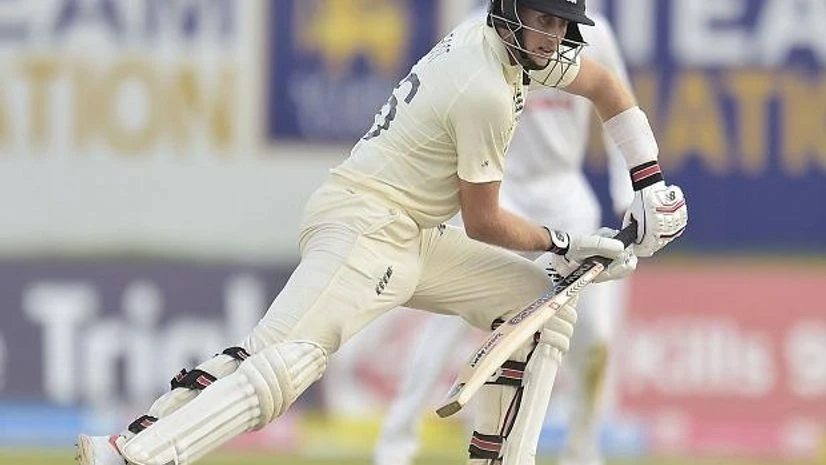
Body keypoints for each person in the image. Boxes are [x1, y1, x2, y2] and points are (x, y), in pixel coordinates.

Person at [76, 1, 687, 464]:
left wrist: (649, 183)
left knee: (538, 308)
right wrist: (567, 242)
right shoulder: (485, 89)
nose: (552, 37)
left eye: (560, 24)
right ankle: (136, 455)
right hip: (365, 224)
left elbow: (606, 87)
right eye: (541, 20)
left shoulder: (512, 47)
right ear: (508, 12)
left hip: (414, 234)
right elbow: (484, 222)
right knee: (284, 362)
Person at [373, 8, 635, 465]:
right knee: (447, 320)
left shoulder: (596, 34)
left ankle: (583, 449)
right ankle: (396, 442)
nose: (554, 33)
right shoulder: (478, 32)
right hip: (499, 187)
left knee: (594, 332)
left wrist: (627, 188)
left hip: (566, 192)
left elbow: (617, 103)